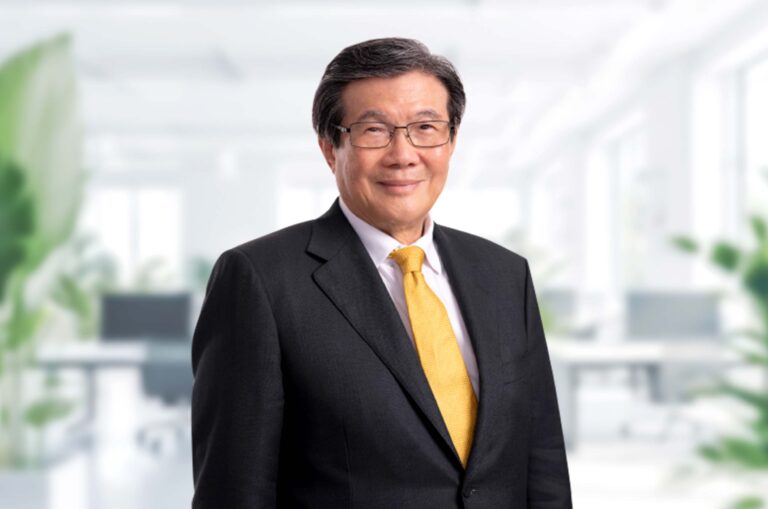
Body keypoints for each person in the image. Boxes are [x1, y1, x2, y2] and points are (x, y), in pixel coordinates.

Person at [191, 37, 572, 509]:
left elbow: (542, 462)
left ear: (451, 141)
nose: (403, 154)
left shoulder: (504, 275)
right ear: (330, 148)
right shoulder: (260, 282)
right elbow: (233, 493)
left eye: (426, 128)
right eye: (374, 131)